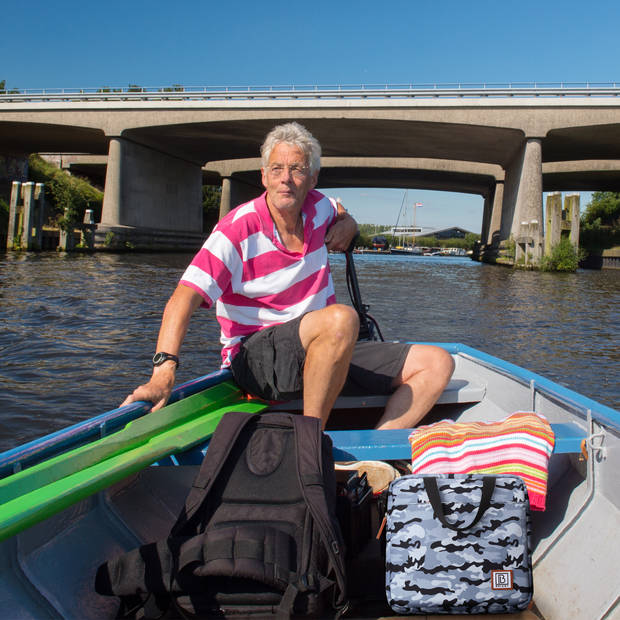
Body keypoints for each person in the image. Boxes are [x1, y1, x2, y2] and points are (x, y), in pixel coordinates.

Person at [122, 122, 454, 429]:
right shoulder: (236, 231)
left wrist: (349, 225)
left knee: (437, 364)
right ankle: (312, 442)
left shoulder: (319, 207)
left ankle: (373, 451)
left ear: (313, 178)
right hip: (256, 358)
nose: (286, 178)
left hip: (325, 347)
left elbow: (341, 213)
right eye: (278, 169)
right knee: (341, 319)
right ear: (264, 176)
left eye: (296, 169)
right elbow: (183, 298)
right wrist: (163, 372)